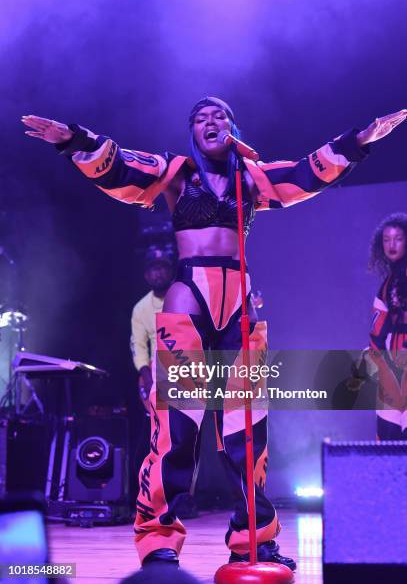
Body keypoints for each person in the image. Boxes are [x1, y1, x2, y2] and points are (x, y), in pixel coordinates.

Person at [21, 102, 406, 570]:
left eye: (219, 116)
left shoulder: (251, 177)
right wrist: (72, 139)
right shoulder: (176, 173)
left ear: (232, 127)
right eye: (201, 118)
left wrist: (358, 142)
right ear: (191, 131)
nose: (210, 122)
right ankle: (158, 540)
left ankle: (254, 540)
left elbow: (305, 174)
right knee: (177, 429)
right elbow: (121, 169)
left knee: (247, 431)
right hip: (190, 301)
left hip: (239, 307)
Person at [368, 213, 407, 440]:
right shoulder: (387, 284)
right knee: (388, 435)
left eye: (398, 238)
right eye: (386, 239)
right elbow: (377, 330)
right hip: (392, 364)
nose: (391, 245)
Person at [131, 247, 175, 412]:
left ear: (171, 272)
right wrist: (148, 381)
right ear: (146, 276)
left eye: (163, 267)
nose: (159, 272)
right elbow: (138, 346)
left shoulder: (184, 297)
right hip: (155, 376)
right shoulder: (140, 308)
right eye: (154, 268)